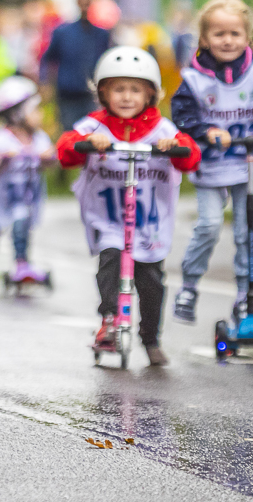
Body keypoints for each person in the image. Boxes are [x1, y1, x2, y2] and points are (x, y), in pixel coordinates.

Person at [57, 47, 201, 366]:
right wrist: (88, 143)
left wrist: (175, 147)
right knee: (110, 264)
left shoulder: (162, 128)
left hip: (147, 223)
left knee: (151, 280)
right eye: (118, 89)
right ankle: (109, 319)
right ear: (103, 92)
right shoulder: (94, 125)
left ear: (150, 94)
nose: (126, 97)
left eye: (135, 90)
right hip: (110, 220)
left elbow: (191, 156)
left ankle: (150, 338)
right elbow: (66, 149)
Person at [170, 0, 253, 324]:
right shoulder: (194, 79)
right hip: (212, 164)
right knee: (210, 225)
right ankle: (190, 284)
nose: (227, 40)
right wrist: (205, 129)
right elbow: (182, 115)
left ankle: (245, 295)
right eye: (219, 34)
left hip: (252, 162)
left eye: (235, 34)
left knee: (249, 231)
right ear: (204, 39)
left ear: (247, 37)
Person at [0, 76, 55, 278]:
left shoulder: (37, 138)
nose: (40, 115)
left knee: (22, 225)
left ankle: (22, 262)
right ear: (17, 114)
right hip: (2, 195)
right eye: (34, 110)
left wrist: (47, 156)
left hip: (25, 196)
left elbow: (50, 157)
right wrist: (1, 157)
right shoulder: (1, 138)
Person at [41, 0, 112, 131]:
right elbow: (48, 58)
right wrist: (45, 83)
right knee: (70, 133)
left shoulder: (101, 35)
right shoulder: (62, 32)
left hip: (92, 96)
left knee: (93, 132)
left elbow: (106, 62)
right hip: (68, 95)